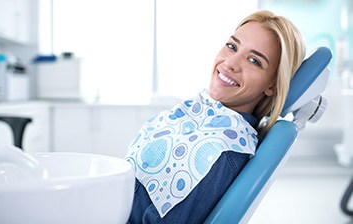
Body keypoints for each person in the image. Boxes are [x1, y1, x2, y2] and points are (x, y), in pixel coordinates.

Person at [126, 10, 306, 224]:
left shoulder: (220, 151)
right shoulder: (197, 110)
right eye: (232, 46)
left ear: (272, 85)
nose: (230, 62)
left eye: (254, 61)